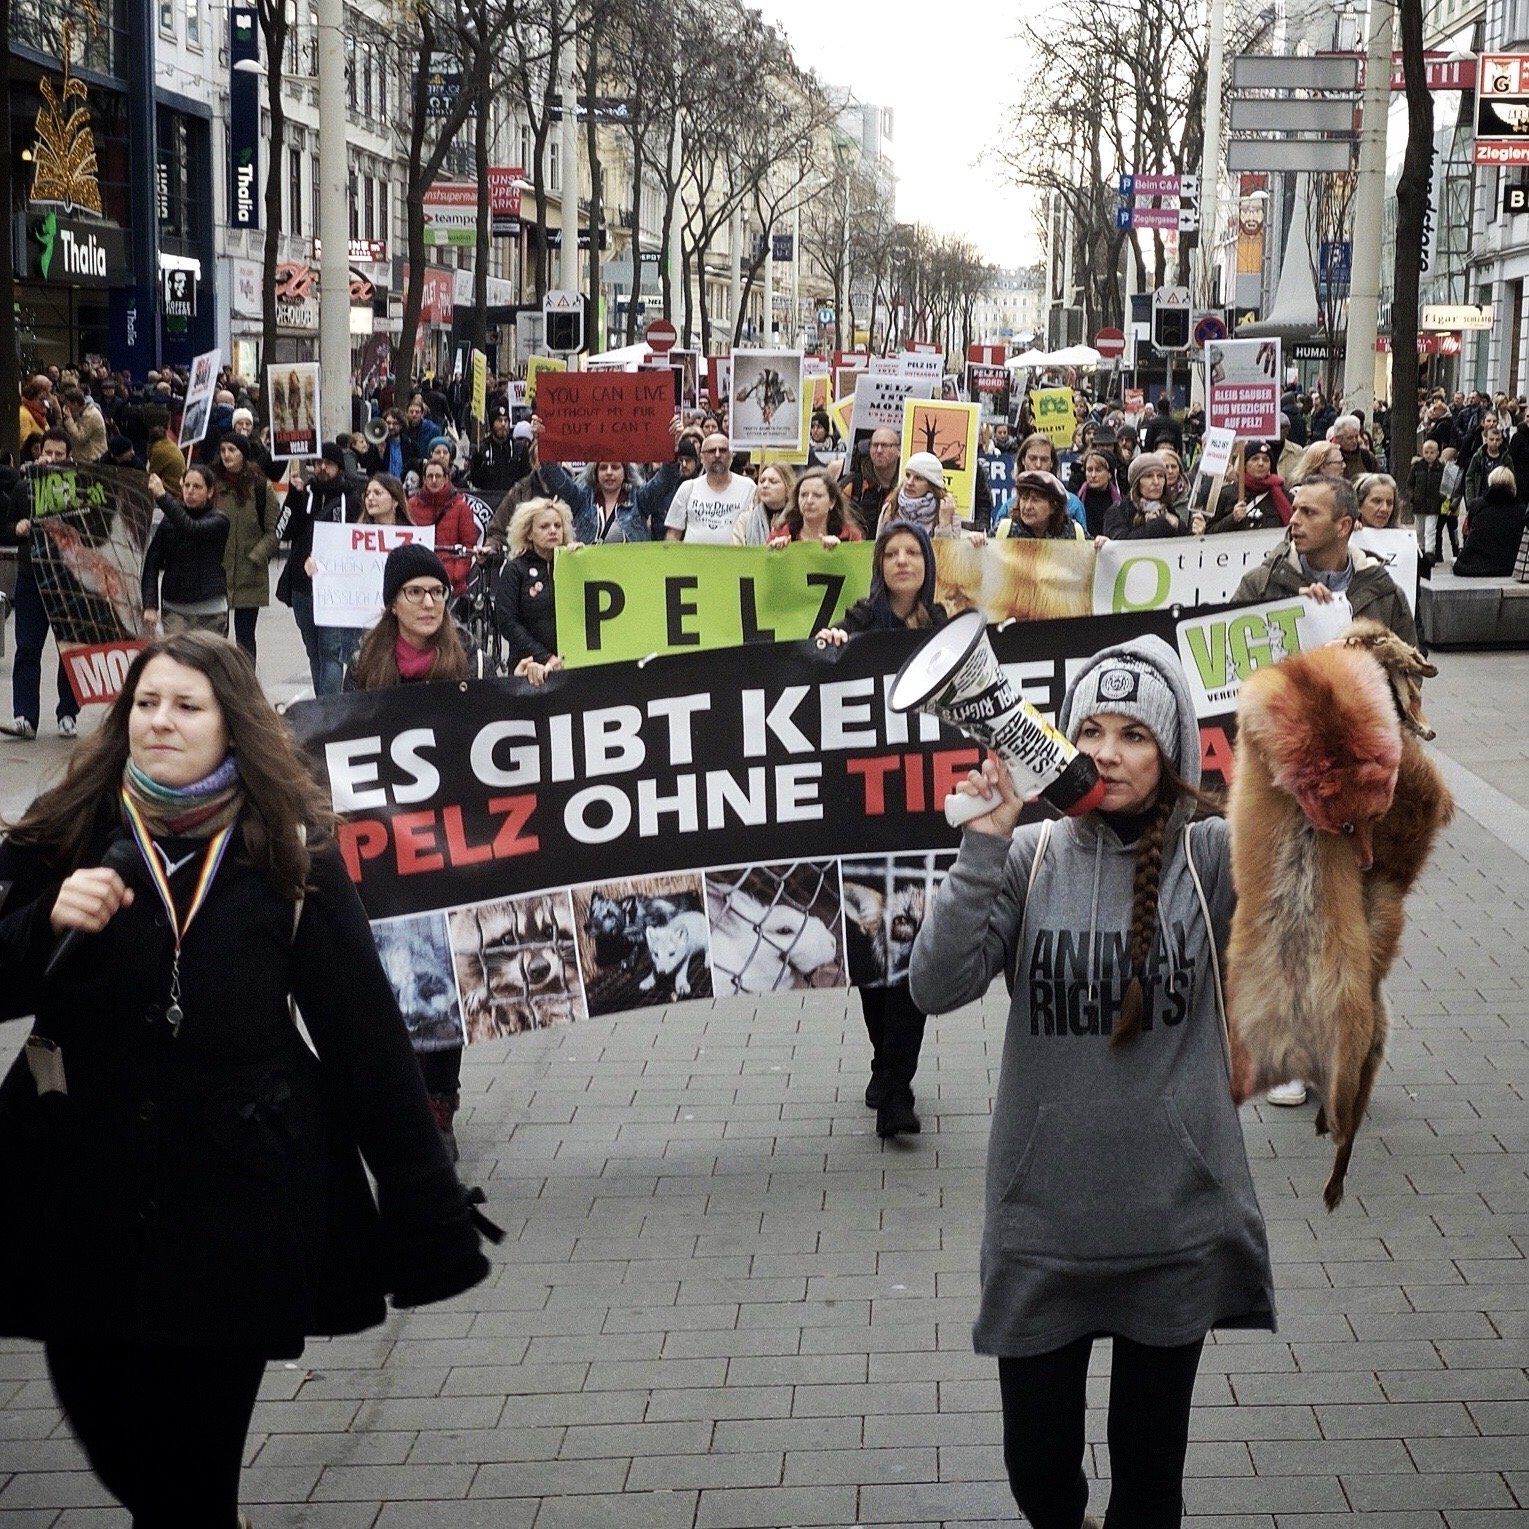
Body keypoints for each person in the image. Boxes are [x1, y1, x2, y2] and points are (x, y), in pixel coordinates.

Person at [0, 632, 492, 1525]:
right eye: (146, 703)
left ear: (233, 724)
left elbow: (364, 1040)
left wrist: (427, 1213)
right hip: (82, 1188)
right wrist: (41, 923)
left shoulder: (288, 854)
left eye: (187, 706)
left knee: (190, 1478)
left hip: (238, 1195)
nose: (160, 721)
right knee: (110, 1423)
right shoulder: (69, 828)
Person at [908, 634, 1274, 1529]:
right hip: (1044, 1229)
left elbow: (1327, 896)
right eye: (1090, 729)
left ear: (1175, 749)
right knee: (1039, 1476)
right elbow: (933, 984)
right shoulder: (1029, 856)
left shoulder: (1214, 854)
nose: (1106, 751)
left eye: (1134, 734)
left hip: (1171, 1224)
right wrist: (980, 848)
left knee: (1148, 1489)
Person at [815, 521, 948, 1138]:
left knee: (914, 953)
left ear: (926, 564)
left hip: (924, 813)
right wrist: (833, 645)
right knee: (875, 956)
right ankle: (884, 1059)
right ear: (880, 564)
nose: (902, 562)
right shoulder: (859, 622)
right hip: (866, 815)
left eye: (911, 553)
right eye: (891, 553)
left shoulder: (948, 628)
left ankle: (897, 1083)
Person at [1235, 472, 1418, 642]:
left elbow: (1409, 672)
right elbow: (1229, 665)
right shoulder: (1260, 585)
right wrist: (1285, 607)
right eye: (1295, 510)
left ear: (1343, 526)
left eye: (1309, 512)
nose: (1293, 520)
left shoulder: (1384, 593)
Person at [3, 431, 82, 739]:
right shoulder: (24, 488)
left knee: (70, 650)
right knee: (27, 648)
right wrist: (16, 528)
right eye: (47, 452)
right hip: (32, 578)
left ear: (69, 458)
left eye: (58, 454)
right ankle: (25, 717)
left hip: (68, 581)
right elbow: (6, 528)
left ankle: (68, 713)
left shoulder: (80, 490)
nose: (50, 459)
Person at [278, 442, 362, 696]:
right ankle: (320, 704)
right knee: (313, 650)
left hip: (335, 588)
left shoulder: (352, 500)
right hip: (303, 587)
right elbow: (283, 532)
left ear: (339, 467)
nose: (322, 468)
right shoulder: (305, 494)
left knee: (331, 652)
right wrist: (294, 497)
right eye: (318, 463)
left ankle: (329, 710)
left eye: (329, 463)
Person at [495, 497, 580, 685]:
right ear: (529, 533)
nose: (553, 531)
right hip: (527, 666)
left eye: (558, 526)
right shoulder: (515, 570)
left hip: (570, 664)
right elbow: (508, 622)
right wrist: (545, 656)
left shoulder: (571, 564)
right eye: (544, 526)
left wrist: (581, 560)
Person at [141, 465, 231, 636]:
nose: (190, 491)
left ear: (210, 492)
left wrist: (162, 496)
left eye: (197, 487)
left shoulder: (219, 520)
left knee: (208, 662)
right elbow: (152, 561)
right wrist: (150, 604)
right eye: (186, 486)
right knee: (177, 661)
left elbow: (192, 529)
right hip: (175, 609)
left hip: (210, 610)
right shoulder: (169, 522)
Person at [212, 432, 279, 660]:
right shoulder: (211, 484)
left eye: (232, 450)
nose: (227, 455)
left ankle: (245, 686)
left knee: (245, 637)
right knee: (216, 637)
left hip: (249, 572)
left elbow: (274, 530)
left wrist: (256, 556)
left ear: (243, 454)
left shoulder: (260, 487)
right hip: (217, 570)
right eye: (223, 450)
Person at [664, 431, 756, 542]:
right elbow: (673, 534)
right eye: (711, 451)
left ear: (731, 455)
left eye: (723, 450)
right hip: (692, 559)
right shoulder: (688, 488)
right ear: (701, 457)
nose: (717, 455)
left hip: (734, 558)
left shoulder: (748, 487)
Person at [407, 458, 479, 595]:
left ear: (446, 478)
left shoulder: (461, 507)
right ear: (424, 479)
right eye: (430, 476)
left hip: (450, 583)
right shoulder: (411, 505)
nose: (434, 480)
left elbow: (468, 547)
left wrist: (454, 575)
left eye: (438, 476)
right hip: (418, 577)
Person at [1454, 465, 1527, 577]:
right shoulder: (1521, 510)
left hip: (1476, 564)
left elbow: (1469, 533)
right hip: (1509, 565)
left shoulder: (1477, 505)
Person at [767, 467, 862, 547]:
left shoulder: (850, 537)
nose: (809, 501)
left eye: (817, 495)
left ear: (832, 502)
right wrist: (773, 554)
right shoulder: (778, 534)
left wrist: (840, 552)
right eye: (803, 495)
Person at [1103, 452, 1187, 540]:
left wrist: (1179, 525)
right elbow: (1120, 545)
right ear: (1137, 482)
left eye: (1160, 476)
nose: (1156, 482)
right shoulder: (1118, 512)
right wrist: (1157, 525)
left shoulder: (1168, 509)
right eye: (1149, 476)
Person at [840, 425, 903, 532]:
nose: (878, 450)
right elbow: (836, 516)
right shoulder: (853, 484)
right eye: (875, 445)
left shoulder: (906, 484)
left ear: (899, 450)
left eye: (884, 445)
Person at [995, 470, 1086, 541]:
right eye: (1024, 498)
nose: (1027, 507)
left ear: (1053, 507)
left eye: (1036, 500)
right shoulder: (1004, 531)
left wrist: (1099, 544)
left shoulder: (1074, 533)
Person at [467, 412, 531, 496]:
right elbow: (476, 483)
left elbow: (526, 477)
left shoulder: (519, 448)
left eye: (506, 420)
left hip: (513, 501)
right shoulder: (482, 449)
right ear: (492, 423)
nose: (503, 424)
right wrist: (477, 467)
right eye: (499, 420)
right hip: (490, 501)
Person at [734, 462, 795, 545]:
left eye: (773, 482)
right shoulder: (745, 520)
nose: (765, 485)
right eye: (762, 481)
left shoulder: (798, 519)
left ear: (788, 485)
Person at [1075, 450, 1120, 539]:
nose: (1093, 475)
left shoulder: (1118, 503)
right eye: (1089, 470)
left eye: (1098, 470)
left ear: (1109, 474)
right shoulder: (1077, 502)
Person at [59, 385, 108, 464]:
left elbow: (80, 438)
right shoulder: (81, 413)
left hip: (92, 458)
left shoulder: (91, 415)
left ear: (75, 403)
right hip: (84, 456)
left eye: (67, 404)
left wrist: (69, 419)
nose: (66, 407)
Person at [1328, 414, 1378, 481]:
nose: (1354, 441)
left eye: (1356, 436)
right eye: (1349, 438)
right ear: (1338, 438)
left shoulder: (1367, 457)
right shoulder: (1332, 458)